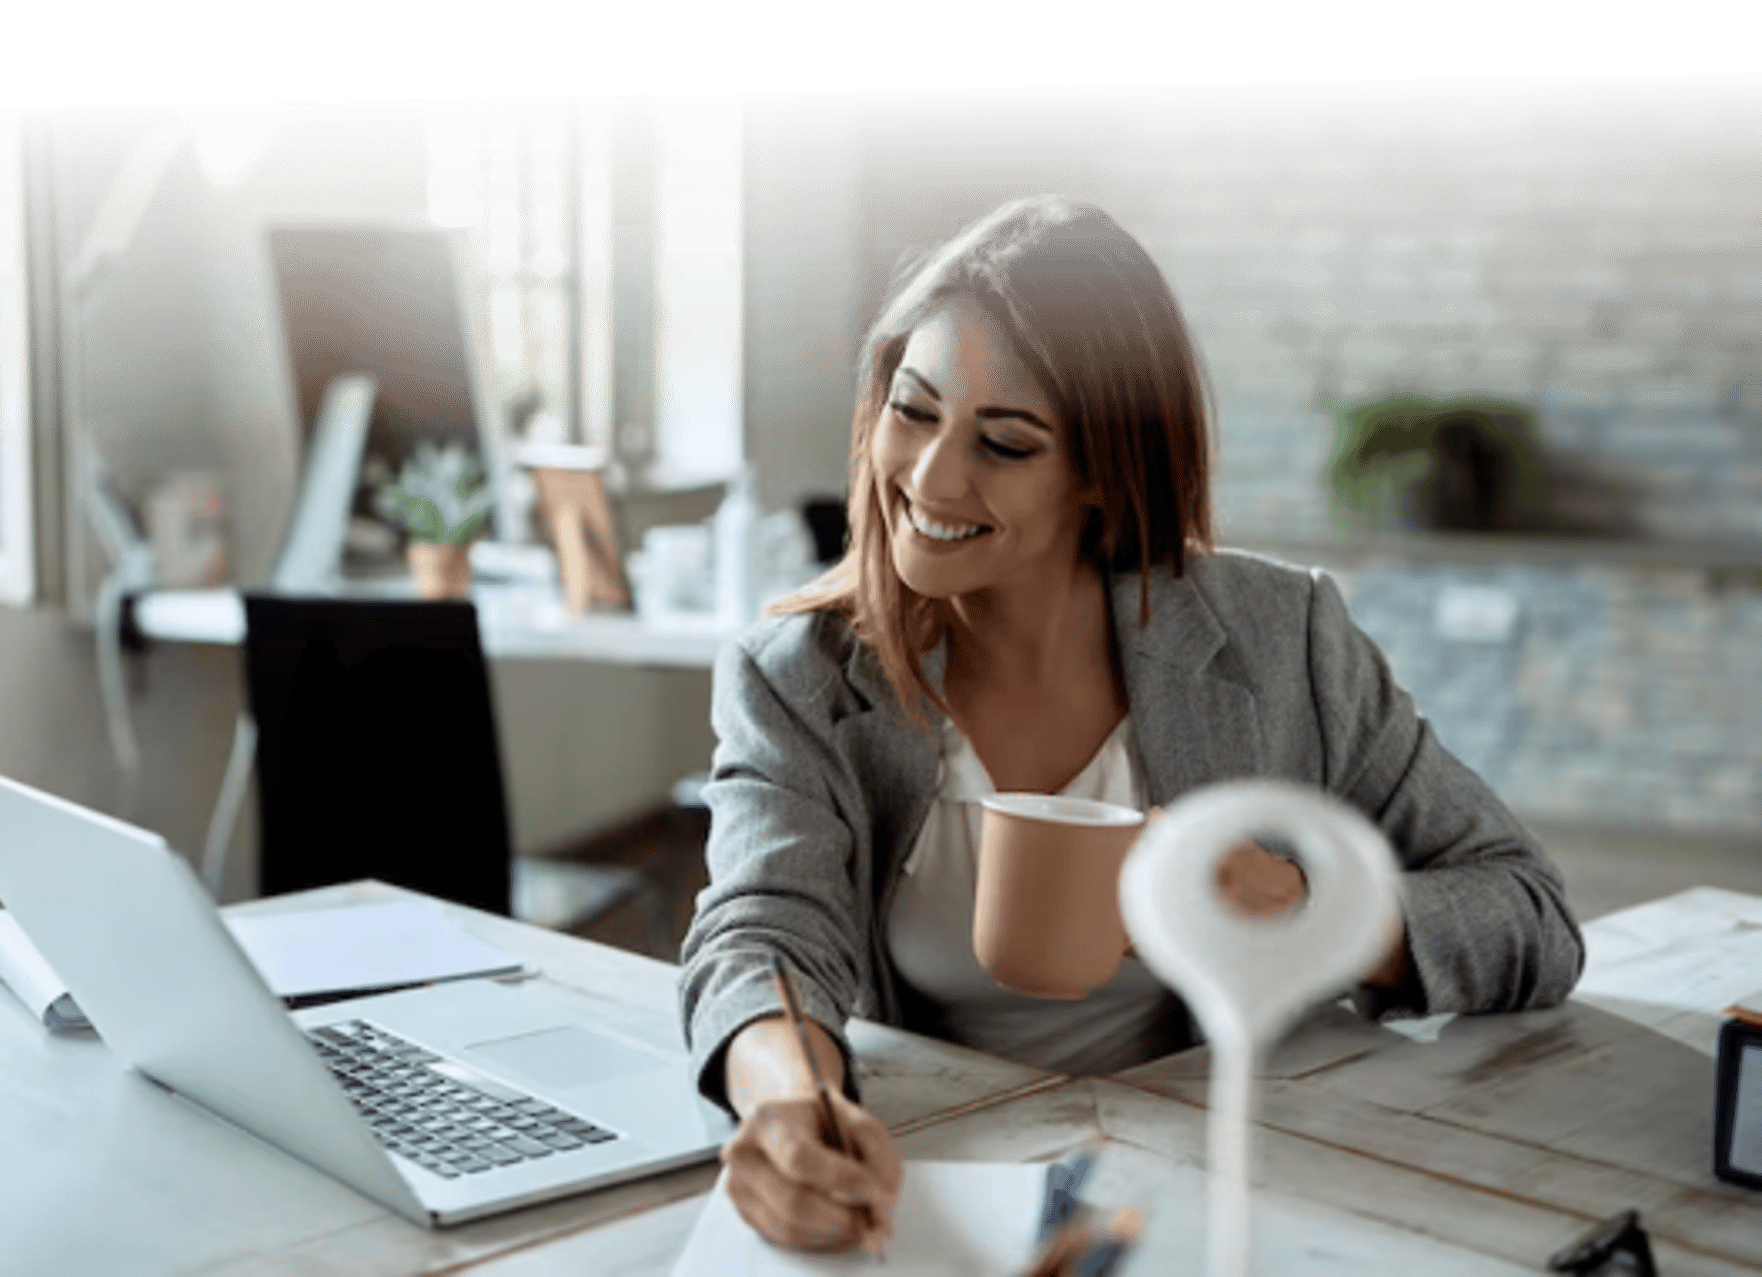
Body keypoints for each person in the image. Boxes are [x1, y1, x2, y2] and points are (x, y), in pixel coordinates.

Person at [677, 193, 1585, 1254]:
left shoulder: (1278, 635)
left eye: (1004, 442)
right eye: (913, 410)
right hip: (959, 1196)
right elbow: (760, 934)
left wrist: (1315, 905)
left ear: (1104, 473)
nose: (928, 475)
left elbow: (1530, 916)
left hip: (1245, 1187)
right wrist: (787, 1097)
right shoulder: (799, 673)